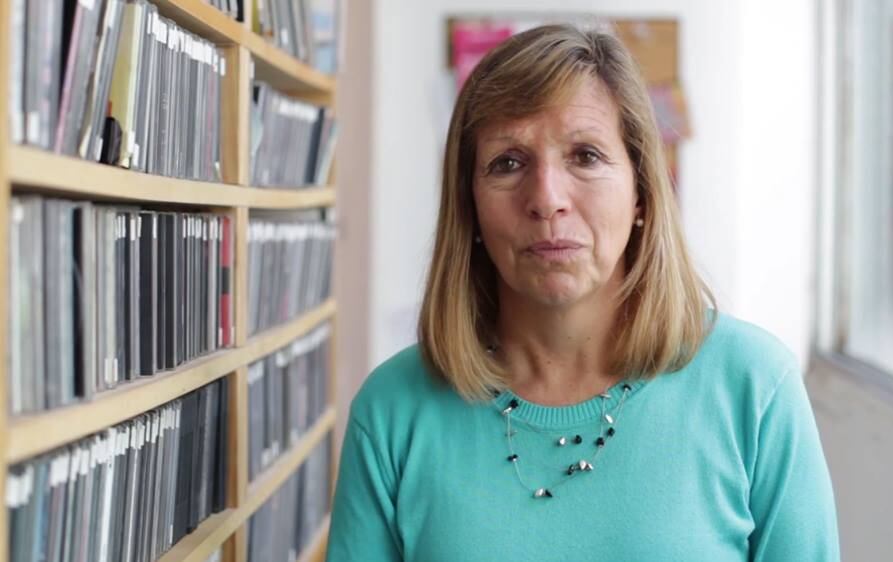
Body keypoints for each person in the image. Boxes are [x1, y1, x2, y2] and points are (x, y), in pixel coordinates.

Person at [326, 24, 840, 561]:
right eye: (508, 162)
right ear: (469, 205)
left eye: (586, 156)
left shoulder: (755, 388)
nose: (547, 198)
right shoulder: (390, 411)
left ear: (642, 191)